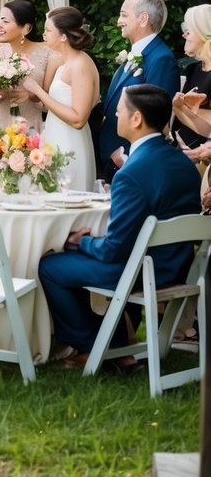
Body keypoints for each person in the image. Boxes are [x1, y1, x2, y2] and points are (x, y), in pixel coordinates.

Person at [38, 84, 201, 370]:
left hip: (142, 271)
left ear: (136, 118)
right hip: (177, 266)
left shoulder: (131, 173)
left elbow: (114, 250)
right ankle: (114, 344)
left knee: (51, 267)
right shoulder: (183, 162)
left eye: (120, 109)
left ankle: (92, 346)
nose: (115, 113)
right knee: (78, 259)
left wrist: (80, 241)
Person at [100, 0, 180, 180]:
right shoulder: (136, 54)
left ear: (143, 19)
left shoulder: (161, 59)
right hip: (113, 160)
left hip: (132, 163)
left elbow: (157, 116)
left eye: (124, 15)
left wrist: (125, 154)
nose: (119, 21)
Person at [22, 6, 99, 192]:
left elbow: (79, 118)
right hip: (56, 139)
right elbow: (57, 106)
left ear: (63, 36)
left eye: (48, 30)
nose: (44, 34)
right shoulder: (64, 64)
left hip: (71, 145)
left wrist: (39, 91)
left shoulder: (80, 64)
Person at [0, 0, 57, 133]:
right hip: (2, 125)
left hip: (32, 127)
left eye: (5, 21)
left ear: (26, 28)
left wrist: (29, 94)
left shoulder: (46, 51)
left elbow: (49, 102)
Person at [171, 4, 211, 151]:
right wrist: (179, 107)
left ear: (203, 32)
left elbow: (207, 129)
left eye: (189, 30)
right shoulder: (194, 68)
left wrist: (183, 108)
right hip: (182, 148)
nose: (184, 35)